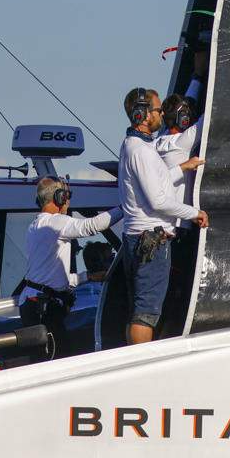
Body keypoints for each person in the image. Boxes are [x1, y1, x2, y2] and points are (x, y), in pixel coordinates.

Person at [113, 87, 208, 346]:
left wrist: (181, 168)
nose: (160, 114)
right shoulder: (141, 151)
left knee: (140, 311)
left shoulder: (139, 146)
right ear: (142, 114)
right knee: (146, 314)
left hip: (140, 238)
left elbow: (158, 182)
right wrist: (194, 213)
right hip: (151, 239)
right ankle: (141, 368)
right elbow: (158, 200)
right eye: (156, 110)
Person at [21, 176, 120, 355]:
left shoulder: (35, 225)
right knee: (58, 357)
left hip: (33, 303)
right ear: (59, 197)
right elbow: (92, 226)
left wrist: (87, 277)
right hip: (44, 307)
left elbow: (52, 277)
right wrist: (126, 207)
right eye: (68, 195)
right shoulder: (55, 222)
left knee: (45, 358)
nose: (68, 200)